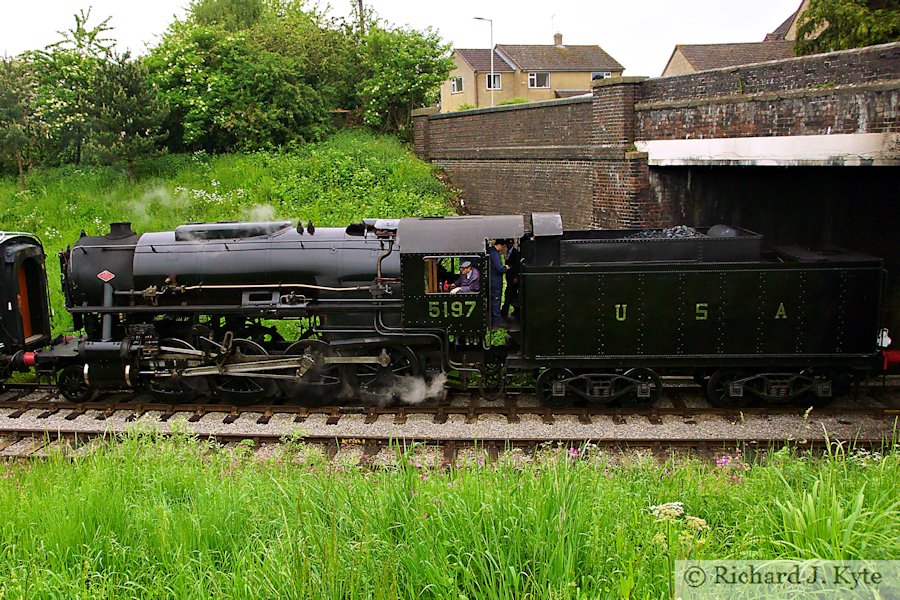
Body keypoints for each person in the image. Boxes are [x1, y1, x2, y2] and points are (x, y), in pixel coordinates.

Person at [488, 239, 508, 328]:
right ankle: (496, 321)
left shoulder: (490, 251)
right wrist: (505, 268)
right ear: (500, 245)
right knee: (496, 300)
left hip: (492, 279)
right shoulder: (494, 253)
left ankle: (494, 318)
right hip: (495, 281)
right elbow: (499, 268)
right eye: (503, 247)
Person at [502, 240, 520, 320]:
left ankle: (504, 312)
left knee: (509, 294)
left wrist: (516, 277)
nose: (508, 245)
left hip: (513, 277)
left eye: (510, 243)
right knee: (512, 294)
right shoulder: (508, 252)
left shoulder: (515, 253)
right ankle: (516, 311)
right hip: (509, 276)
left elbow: (517, 265)